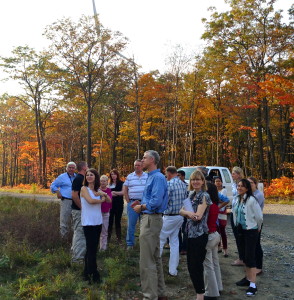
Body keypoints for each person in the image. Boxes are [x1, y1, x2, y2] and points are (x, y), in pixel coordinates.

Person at [133, 150, 168, 300]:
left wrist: (141, 207)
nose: (142, 160)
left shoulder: (158, 178)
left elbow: (156, 201)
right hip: (151, 218)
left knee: (146, 260)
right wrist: (141, 204)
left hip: (151, 219)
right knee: (154, 257)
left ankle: (149, 296)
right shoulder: (152, 176)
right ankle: (160, 293)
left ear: (152, 160)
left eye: (144, 158)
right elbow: (153, 199)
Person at [180, 170, 212, 300]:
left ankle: (200, 295)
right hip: (189, 233)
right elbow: (180, 210)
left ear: (203, 181)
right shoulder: (191, 194)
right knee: (190, 265)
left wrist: (187, 213)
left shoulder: (204, 196)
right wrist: (188, 213)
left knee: (196, 266)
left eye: (198, 179)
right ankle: (200, 293)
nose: (195, 182)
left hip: (199, 235)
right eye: (193, 180)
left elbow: (198, 217)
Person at [233, 179, 263, 297]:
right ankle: (247, 278)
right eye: (238, 186)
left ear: (247, 188)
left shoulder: (251, 200)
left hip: (251, 231)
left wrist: (258, 228)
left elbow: (259, 217)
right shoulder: (236, 199)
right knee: (244, 256)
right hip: (240, 230)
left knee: (250, 257)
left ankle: (253, 285)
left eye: (242, 186)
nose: (239, 188)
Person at [80, 168, 107, 283]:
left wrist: (103, 193)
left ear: (96, 177)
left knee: (93, 249)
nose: (89, 177)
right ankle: (94, 275)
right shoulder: (84, 189)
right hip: (88, 223)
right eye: (87, 175)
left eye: (91, 175)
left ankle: (86, 273)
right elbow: (90, 201)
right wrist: (102, 199)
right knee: (91, 249)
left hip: (97, 222)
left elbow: (109, 200)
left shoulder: (97, 189)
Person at [159, 166, 187, 276]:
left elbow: (164, 199)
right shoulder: (183, 184)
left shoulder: (169, 184)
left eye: (166, 174)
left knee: (160, 240)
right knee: (174, 242)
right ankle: (173, 270)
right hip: (179, 216)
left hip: (169, 216)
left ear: (169, 174)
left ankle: (155, 267)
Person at [204, 183, 223, 300]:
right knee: (215, 263)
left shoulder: (208, 205)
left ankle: (211, 293)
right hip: (215, 234)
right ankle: (218, 286)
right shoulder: (215, 204)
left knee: (207, 266)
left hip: (209, 236)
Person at [123, 159, 148, 250]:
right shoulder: (130, 176)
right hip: (133, 203)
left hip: (144, 204)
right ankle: (130, 244)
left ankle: (143, 244)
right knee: (131, 224)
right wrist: (128, 201)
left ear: (142, 166)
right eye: (135, 165)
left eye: (138, 165)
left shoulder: (147, 176)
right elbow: (125, 189)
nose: (137, 167)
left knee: (145, 224)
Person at [50, 161, 76, 237]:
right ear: (66, 168)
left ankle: (72, 239)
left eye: (73, 168)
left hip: (76, 201)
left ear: (75, 169)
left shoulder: (77, 177)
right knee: (64, 220)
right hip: (66, 201)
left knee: (74, 221)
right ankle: (63, 239)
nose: (71, 169)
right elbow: (53, 185)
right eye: (69, 167)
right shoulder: (62, 177)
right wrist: (57, 191)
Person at [71, 161, 88, 263]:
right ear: (84, 168)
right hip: (78, 211)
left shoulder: (82, 179)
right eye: (87, 166)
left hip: (80, 210)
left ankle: (75, 253)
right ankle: (78, 258)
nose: (88, 168)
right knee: (80, 233)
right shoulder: (78, 179)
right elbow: (74, 195)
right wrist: (82, 207)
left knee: (78, 232)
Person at [248, 176, 265, 275]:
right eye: (248, 183)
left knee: (257, 245)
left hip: (256, 222)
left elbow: (254, 211)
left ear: (255, 184)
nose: (250, 185)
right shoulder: (250, 194)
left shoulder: (258, 195)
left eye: (251, 183)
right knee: (251, 245)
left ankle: (259, 267)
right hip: (250, 223)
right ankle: (252, 265)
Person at [231, 166, 245, 266]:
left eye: (234, 173)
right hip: (233, 211)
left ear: (239, 174)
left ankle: (242, 258)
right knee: (236, 235)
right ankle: (241, 256)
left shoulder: (243, 184)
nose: (232, 175)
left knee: (240, 235)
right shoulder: (233, 184)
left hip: (239, 212)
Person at [214, 176, 229, 257]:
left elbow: (223, 200)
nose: (218, 183)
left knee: (222, 230)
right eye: (216, 181)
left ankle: (225, 249)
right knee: (217, 230)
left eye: (219, 181)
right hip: (215, 212)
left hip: (222, 212)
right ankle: (218, 246)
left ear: (222, 182)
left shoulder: (224, 190)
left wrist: (217, 201)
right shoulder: (213, 190)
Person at [108, 169, 124, 243]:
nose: (113, 175)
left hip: (119, 204)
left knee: (118, 221)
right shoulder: (109, 184)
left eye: (114, 174)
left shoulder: (121, 183)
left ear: (117, 175)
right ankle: (108, 238)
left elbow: (123, 192)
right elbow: (107, 193)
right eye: (111, 174)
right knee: (110, 221)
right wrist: (114, 193)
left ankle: (119, 238)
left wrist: (114, 192)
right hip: (110, 204)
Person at [99, 175, 112, 251]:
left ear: (107, 182)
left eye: (104, 181)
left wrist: (104, 194)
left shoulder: (109, 190)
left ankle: (103, 248)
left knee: (104, 231)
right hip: (97, 212)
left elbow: (109, 200)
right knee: (96, 231)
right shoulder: (96, 189)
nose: (103, 182)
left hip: (105, 212)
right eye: (101, 181)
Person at [177, 170, 188, 255]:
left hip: (186, 212)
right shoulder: (175, 186)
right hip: (177, 212)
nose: (178, 177)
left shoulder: (187, 186)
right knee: (177, 231)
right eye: (177, 176)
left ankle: (185, 247)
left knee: (185, 230)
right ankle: (179, 247)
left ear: (183, 176)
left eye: (179, 175)